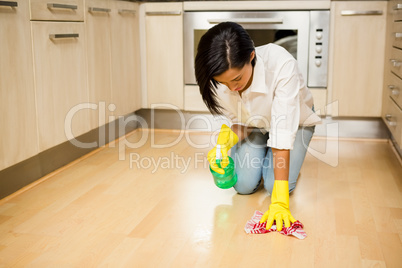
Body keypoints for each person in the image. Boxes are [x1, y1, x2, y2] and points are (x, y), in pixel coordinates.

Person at [195, 22, 321, 231]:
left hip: (295, 123)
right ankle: (265, 156)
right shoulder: (219, 79)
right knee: (243, 185)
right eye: (224, 83)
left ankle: (283, 165)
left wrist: (280, 202)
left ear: (251, 57)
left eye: (236, 79)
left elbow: (281, 134)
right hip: (255, 125)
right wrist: (224, 146)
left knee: (274, 186)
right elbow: (241, 122)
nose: (232, 88)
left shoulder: (281, 65)